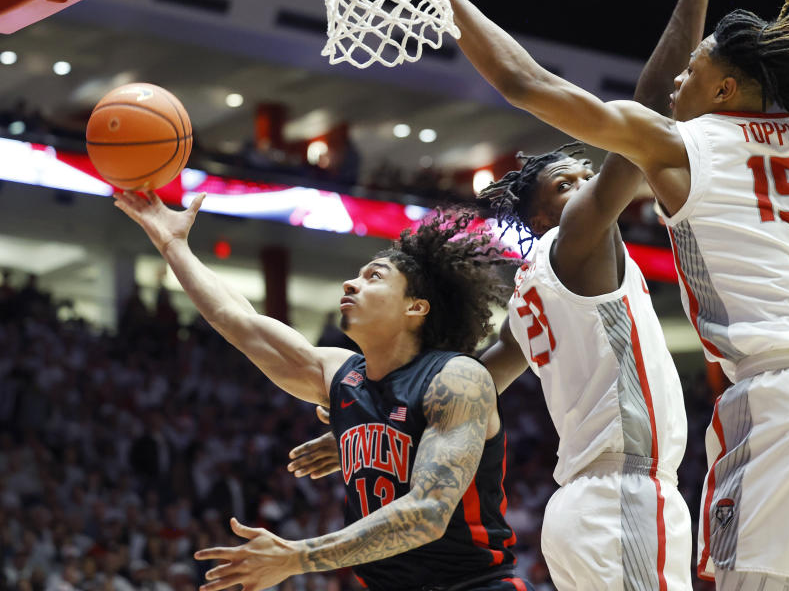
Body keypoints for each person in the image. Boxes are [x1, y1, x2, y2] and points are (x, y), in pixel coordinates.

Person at [398, 0, 789, 591]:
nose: (678, 84)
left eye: (694, 71)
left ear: (724, 88)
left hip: (781, 404)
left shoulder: (678, 148)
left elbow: (526, 84)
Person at [290, 0, 714, 591]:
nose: (584, 184)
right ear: (544, 212)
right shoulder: (578, 247)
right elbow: (646, 117)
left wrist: (368, 430)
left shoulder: (532, 294)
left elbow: (473, 380)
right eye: (565, 182)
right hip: (623, 499)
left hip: (581, 508)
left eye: (587, 174)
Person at [112, 190, 532, 591]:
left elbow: (429, 512)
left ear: (415, 307)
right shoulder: (339, 374)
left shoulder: (455, 377)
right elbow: (234, 319)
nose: (351, 284)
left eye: (373, 277)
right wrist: (172, 245)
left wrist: (297, 556)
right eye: (355, 276)